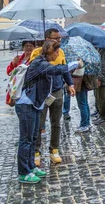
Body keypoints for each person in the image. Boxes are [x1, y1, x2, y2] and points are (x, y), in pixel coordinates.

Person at [16, 40, 80, 184]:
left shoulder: (43, 62)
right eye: (56, 52)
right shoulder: (39, 63)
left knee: (32, 138)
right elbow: (56, 69)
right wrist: (75, 64)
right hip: (26, 105)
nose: (58, 54)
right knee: (26, 140)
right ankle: (23, 172)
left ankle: (31, 167)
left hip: (35, 104)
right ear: (50, 51)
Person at [30, 29, 75, 166]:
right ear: (47, 39)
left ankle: (54, 150)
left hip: (57, 91)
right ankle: (36, 152)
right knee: (39, 124)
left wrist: (70, 84)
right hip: (42, 93)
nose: (59, 41)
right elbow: (33, 70)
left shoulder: (60, 52)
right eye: (56, 38)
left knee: (56, 123)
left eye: (60, 38)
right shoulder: (37, 53)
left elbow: (64, 69)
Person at [92, 48, 105, 125]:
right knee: (99, 97)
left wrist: (99, 78)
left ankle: (104, 117)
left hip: (102, 80)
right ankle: (101, 115)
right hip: (100, 78)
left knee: (102, 98)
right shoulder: (100, 51)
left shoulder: (104, 52)